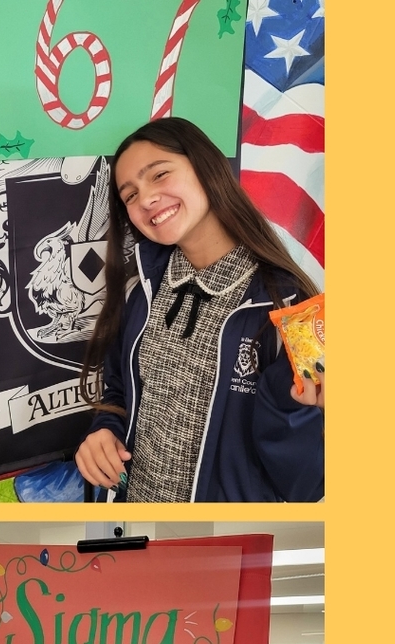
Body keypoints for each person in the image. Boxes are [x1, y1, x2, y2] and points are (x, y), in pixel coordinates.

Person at [75, 118, 324, 502]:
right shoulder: (141, 289)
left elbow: (305, 487)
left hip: (215, 536)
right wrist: (104, 430)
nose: (145, 200)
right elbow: (119, 391)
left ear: (206, 168)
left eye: (159, 175)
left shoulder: (289, 306)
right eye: (130, 195)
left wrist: (303, 411)